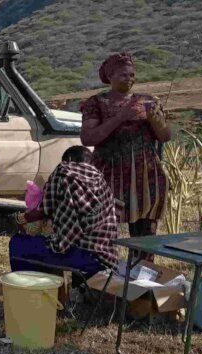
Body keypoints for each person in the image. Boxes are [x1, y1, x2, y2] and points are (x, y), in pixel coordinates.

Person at [80, 53, 171, 237]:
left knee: (145, 230)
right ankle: (104, 264)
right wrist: (120, 117)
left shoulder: (148, 101)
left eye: (132, 75)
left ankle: (141, 266)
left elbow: (165, 136)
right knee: (102, 227)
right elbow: (88, 138)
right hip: (109, 175)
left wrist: (155, 119)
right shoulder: (97, 103)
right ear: (110, 76)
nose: (129, 79)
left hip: (146, 176)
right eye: (123, 75)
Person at [10, 146, 119, 277]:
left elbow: (43, 210)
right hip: (105, 258)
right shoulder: (101, 180)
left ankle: (30, 290)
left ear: (69, 159)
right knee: (53, 244)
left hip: (79, 254)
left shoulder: (63, 171)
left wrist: (21, 218)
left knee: (18, 243)